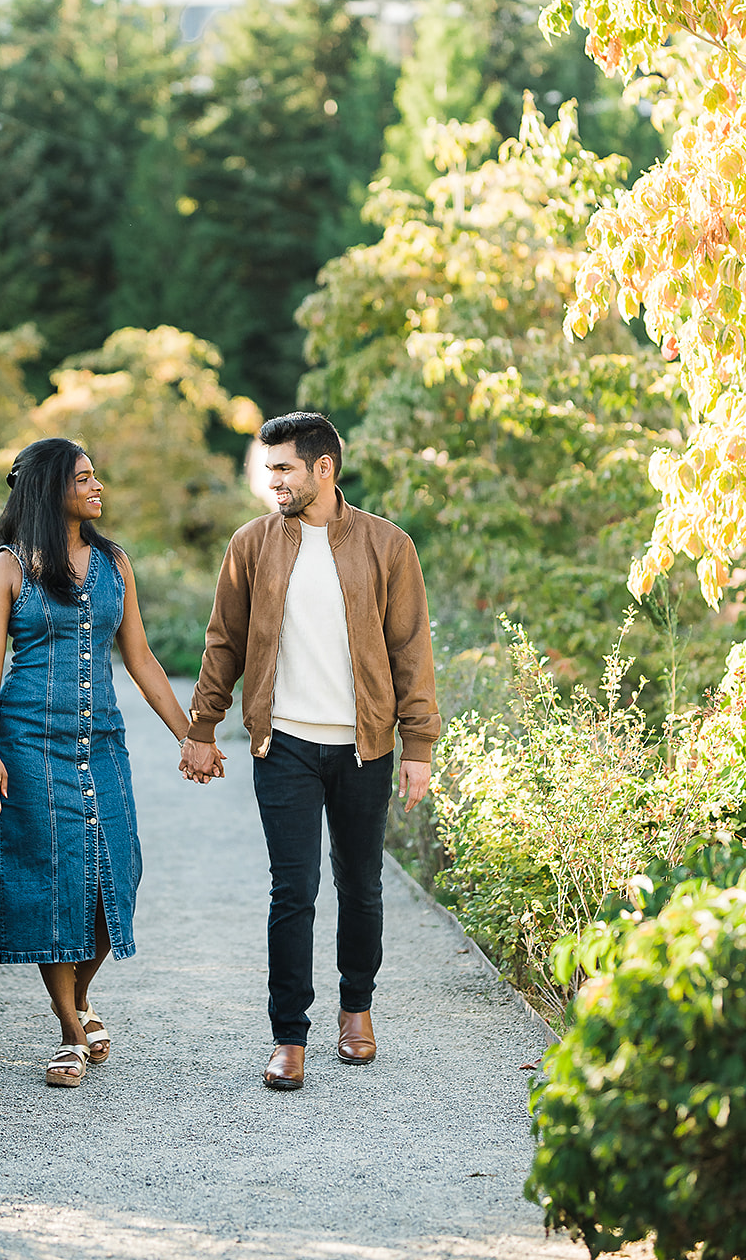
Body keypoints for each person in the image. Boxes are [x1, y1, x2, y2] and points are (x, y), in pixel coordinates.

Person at [177, 411, 441, 1091]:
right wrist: (201, 729)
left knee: (361, 885)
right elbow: (223, 642)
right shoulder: (252, 545)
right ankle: (288, 1037)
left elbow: (411, 650)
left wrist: (419, 744)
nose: (275, 484)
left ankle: (357, 1012)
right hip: (283, 742)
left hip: (364, 745)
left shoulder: (388, 545)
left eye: (285, 469)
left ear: (324, 467)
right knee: (292, 891)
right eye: (269, 472)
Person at [0, 437, 223, 1088]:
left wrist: (190, 735)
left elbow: (140, 659)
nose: (97, 486)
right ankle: (69, 1033)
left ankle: (80, 1001)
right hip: (28, 745)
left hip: (101, 744)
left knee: (117, 876)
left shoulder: (115, 563)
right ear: (51, 488)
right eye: (83, 478)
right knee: (51, 883)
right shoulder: (7, 569)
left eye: (96, 476)